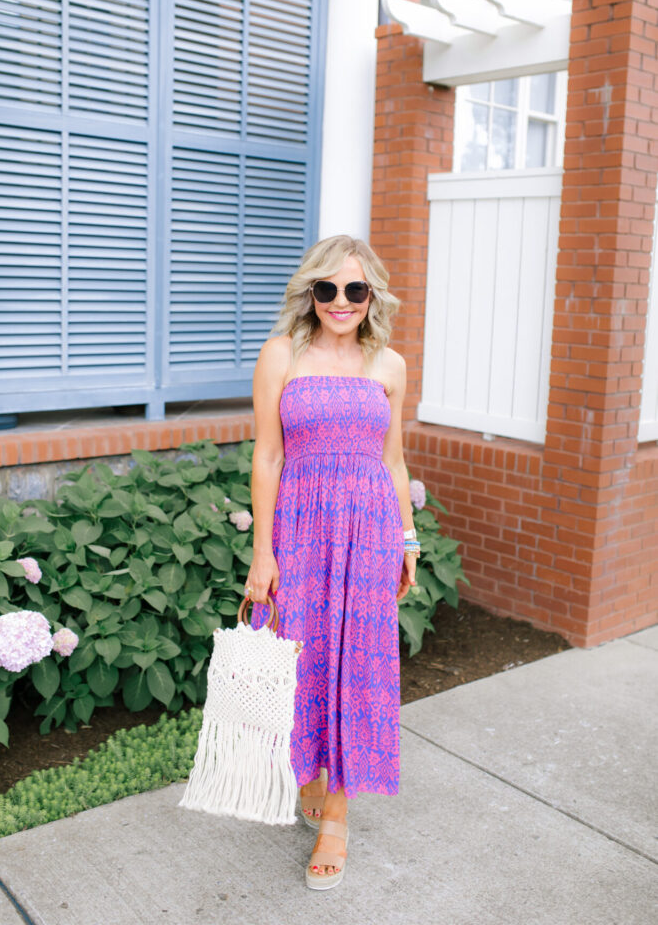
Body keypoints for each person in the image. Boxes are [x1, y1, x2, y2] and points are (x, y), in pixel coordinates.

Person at [246, 234, 420, 890]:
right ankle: (312, 771)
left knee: (357, 662)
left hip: (369, 531)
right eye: (327, 288)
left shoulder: (390, 366)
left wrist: (407, 540)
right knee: (305, 657)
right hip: (299, 528)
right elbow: (266, 456)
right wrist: (262, 552)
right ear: (310, 293)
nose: (340, 301)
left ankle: (337, 817)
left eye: (354, 289)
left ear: (371, 295)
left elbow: (393, 460)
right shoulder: (280, 355)